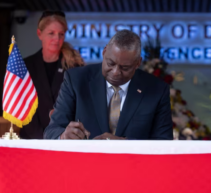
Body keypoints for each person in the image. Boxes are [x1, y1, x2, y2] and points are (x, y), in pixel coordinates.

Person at [44, 30, 173, 140]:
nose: (116, 72)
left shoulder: (157, 90)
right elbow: (51, 131)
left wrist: (125, 145)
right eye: (110, 63)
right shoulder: (76, 80)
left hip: (134, 166)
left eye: (125, 67)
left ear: (138, 63)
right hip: (85, 165)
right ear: (104, 52)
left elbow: (163, 142)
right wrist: (63, 136)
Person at [20, 11, 84, 139]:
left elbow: (81, 103)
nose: (57, 39)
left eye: (61, 34)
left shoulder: (74, 66)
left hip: (64, 140)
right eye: (51, 33)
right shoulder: (25, 66)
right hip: (32, 140)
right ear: (39, 34)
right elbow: (23, 106)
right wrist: (42, 139)